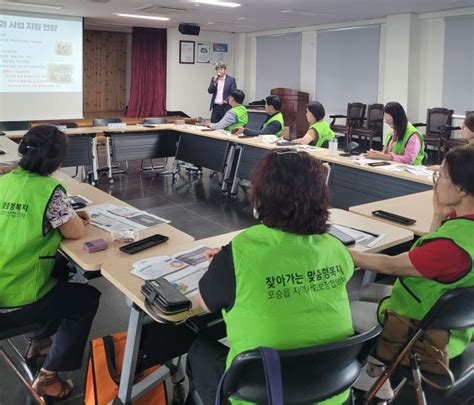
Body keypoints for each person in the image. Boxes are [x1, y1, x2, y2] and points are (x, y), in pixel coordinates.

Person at [186, 149, 355, 404]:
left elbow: (204, 303)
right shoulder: (336, 249)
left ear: (260, 197)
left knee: (199, 350)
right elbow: (298, 264)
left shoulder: (240, 251)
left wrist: (226, 262)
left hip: (264, 394)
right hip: (331, 392)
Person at [350, 145, 474, 400]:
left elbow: (389, 265)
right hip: (451, 323)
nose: (436, 182)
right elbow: (431, 257)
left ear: (461, 189)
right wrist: (439, 214)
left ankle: (374, 374)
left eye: (442, 175)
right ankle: (375, 365)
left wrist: (340, 250)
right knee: (366, 290)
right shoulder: (463, 229)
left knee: (345, 306)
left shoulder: (451, 247)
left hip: (421, 333)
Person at [0, 125, 101, 399]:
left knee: (60, 268)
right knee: (86, 299)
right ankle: (49, 378)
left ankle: (40, 342)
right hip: (14, 299)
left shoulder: (3, 180)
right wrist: (76, 218)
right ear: (58, 160)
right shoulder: (48, 190)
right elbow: (75, 232)